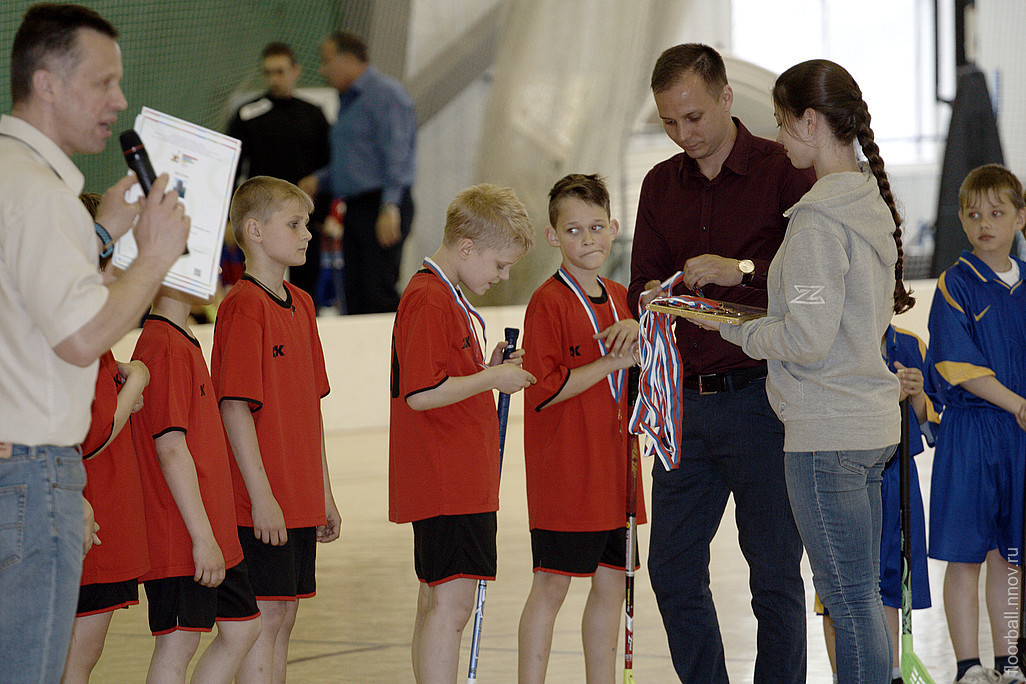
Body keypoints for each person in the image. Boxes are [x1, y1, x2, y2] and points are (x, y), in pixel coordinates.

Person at [696, 58, 915, 682]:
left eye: (783, 123)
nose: (779, 137)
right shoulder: (865, 200)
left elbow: (807, 337)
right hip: (865, 425)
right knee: (861, 601)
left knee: (848, 604)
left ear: (810, 122)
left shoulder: (821, 218)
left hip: (828, 432)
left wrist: (733, 327)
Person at [0, 5, 189, 680]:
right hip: (25, 475)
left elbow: (31, 310)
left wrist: (102, 240)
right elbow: (81, 337)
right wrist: (152, 258)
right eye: (104, 83)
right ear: (46, 83)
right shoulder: (41, 197)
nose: (120, 101)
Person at [627, 43, 813, 683]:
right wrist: (649, 297)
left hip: (764, 400)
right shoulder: (658, 184)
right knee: (673, 569)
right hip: (682, 408)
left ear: (727, 98)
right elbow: (640, 284)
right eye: (670, 122)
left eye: (695, 117)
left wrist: (739, 269)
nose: (684, 134)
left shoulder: (784, 171)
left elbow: (815, 289)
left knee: (774, 573)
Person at [389, 184, 535, 682]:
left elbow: (445, 380)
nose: (503, 276)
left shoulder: (445, 299)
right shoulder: (430, 299)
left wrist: (485, 367)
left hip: (456, 479)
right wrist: (493, 378)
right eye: (500, 265)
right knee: (449, 608)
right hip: (447, 481)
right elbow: (420, 393)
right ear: (467, 247)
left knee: (438, 603)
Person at [213, 176, 342, 682]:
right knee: (265, 620)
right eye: (294, 224)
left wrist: (324, 495)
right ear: (255, 230)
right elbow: (233, 408)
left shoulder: (303, 305)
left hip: (298, 498)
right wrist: (261, 497)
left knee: (284, 618)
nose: (307, 234)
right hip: (261, 502)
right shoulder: (243, 306)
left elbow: (311, 410)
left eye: (306, 223)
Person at [517, 174, 644, 683]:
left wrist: (643, 333)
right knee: (551, 586)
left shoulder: (622, 297)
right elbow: (542, 388)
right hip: (567, 475)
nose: (587, 239)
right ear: (553, 236)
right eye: (573, 230)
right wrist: (611, 364)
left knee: (613, 585)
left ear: (614, 227)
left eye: (596, 227)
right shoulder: (547, 302)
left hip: (619, 473)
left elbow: (648, 378)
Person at [924, 163, 1026, 684]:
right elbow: (956, 367)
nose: (985, 223)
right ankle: (968, 667)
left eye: (997, 212)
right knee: (965, 557)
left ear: (1019, 217)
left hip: (1018, 440)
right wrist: (1018, 404)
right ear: (962, 222)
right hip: (970, 435)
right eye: (973, 214)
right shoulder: (953, 284)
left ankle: (1009, 662)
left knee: (1010, 556)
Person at [131, 286, 262, 682]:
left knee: (243, 627)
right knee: (179, 642)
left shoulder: (182, 339)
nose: (218, 270)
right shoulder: (163, 345)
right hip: (183, 531)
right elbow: (170, 449)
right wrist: (202, 537)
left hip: (211, 528)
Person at [63, 193, 152, 684]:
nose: (117, 274)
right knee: (75, 662)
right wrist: (135, 381)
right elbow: (94, 435)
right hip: (89, 521)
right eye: (108, 258)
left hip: (96, 515)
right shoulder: (84, 337)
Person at [818, 324, 937, 684]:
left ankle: (892, 672)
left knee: (892, 574)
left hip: (899, 474)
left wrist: (916, 396)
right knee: (844, 579)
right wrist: (886, 394)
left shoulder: (910, 343)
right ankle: (846, 674)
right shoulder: (835, 338)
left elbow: (929, 422)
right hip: (849, 472)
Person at [300, 31, 417, 314]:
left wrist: (389, 205)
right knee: (353, 297)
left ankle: (393, 358)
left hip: (382, 206)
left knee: (378, 293)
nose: (322, 70)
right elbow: (357, 162)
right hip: (356, 208)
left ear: (350, 58)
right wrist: (320, 179)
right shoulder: (348, 101)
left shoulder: (386, 94)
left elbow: (398, 155)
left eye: (327, 61)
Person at [228, 42, 330, 303]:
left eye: (280, 71)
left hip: (306, 218)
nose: (274, 79)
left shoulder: (314, 115)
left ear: (296, 71)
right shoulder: (247, 115)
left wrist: (321, 216)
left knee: (307, 289)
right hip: (262, 217)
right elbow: (232, 169)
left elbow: (328, 166)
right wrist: (230, 220)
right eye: (268, 72)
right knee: (258, 283)